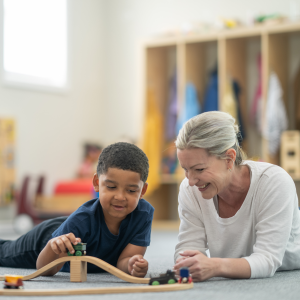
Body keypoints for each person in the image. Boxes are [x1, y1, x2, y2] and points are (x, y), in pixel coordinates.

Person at [172, 111, 300, 282]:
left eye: (199, 169)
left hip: (287, 267)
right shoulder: (189, 190)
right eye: (185, 169)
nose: (191, 181)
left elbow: (267, 260)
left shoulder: (274, 182)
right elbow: (187, 250)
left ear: (229, 158)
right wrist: (187, 264)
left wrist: (215, 266)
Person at [0, 142, 154, 278]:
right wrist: (53, 247)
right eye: (112, 187)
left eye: (131, 190)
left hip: (69, 227)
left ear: (142, 190)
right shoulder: (83, 219)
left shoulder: (144, 215)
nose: (120, 197)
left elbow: (123, 261)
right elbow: (44, 268)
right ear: (96, 183)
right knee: (4, 253)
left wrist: (131, 265)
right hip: (45, 242)